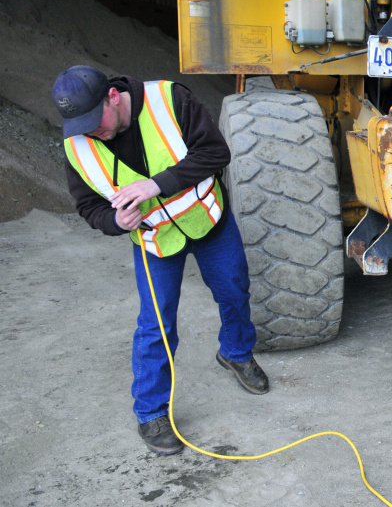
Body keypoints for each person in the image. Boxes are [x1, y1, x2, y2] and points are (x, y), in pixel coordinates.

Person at [52, 65, 269, 456]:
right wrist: (115, 221)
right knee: (155, 326)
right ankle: (151, 413)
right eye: (79, 125)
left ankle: (236, 353)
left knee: (234, 291)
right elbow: (88, 206)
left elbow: (217, 152)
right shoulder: (76, 145)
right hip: (153, 239)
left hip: (207, 219)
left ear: (112, 97)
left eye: (93, 120)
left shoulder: (170, 99)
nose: (89, 132)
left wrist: (156, 185)